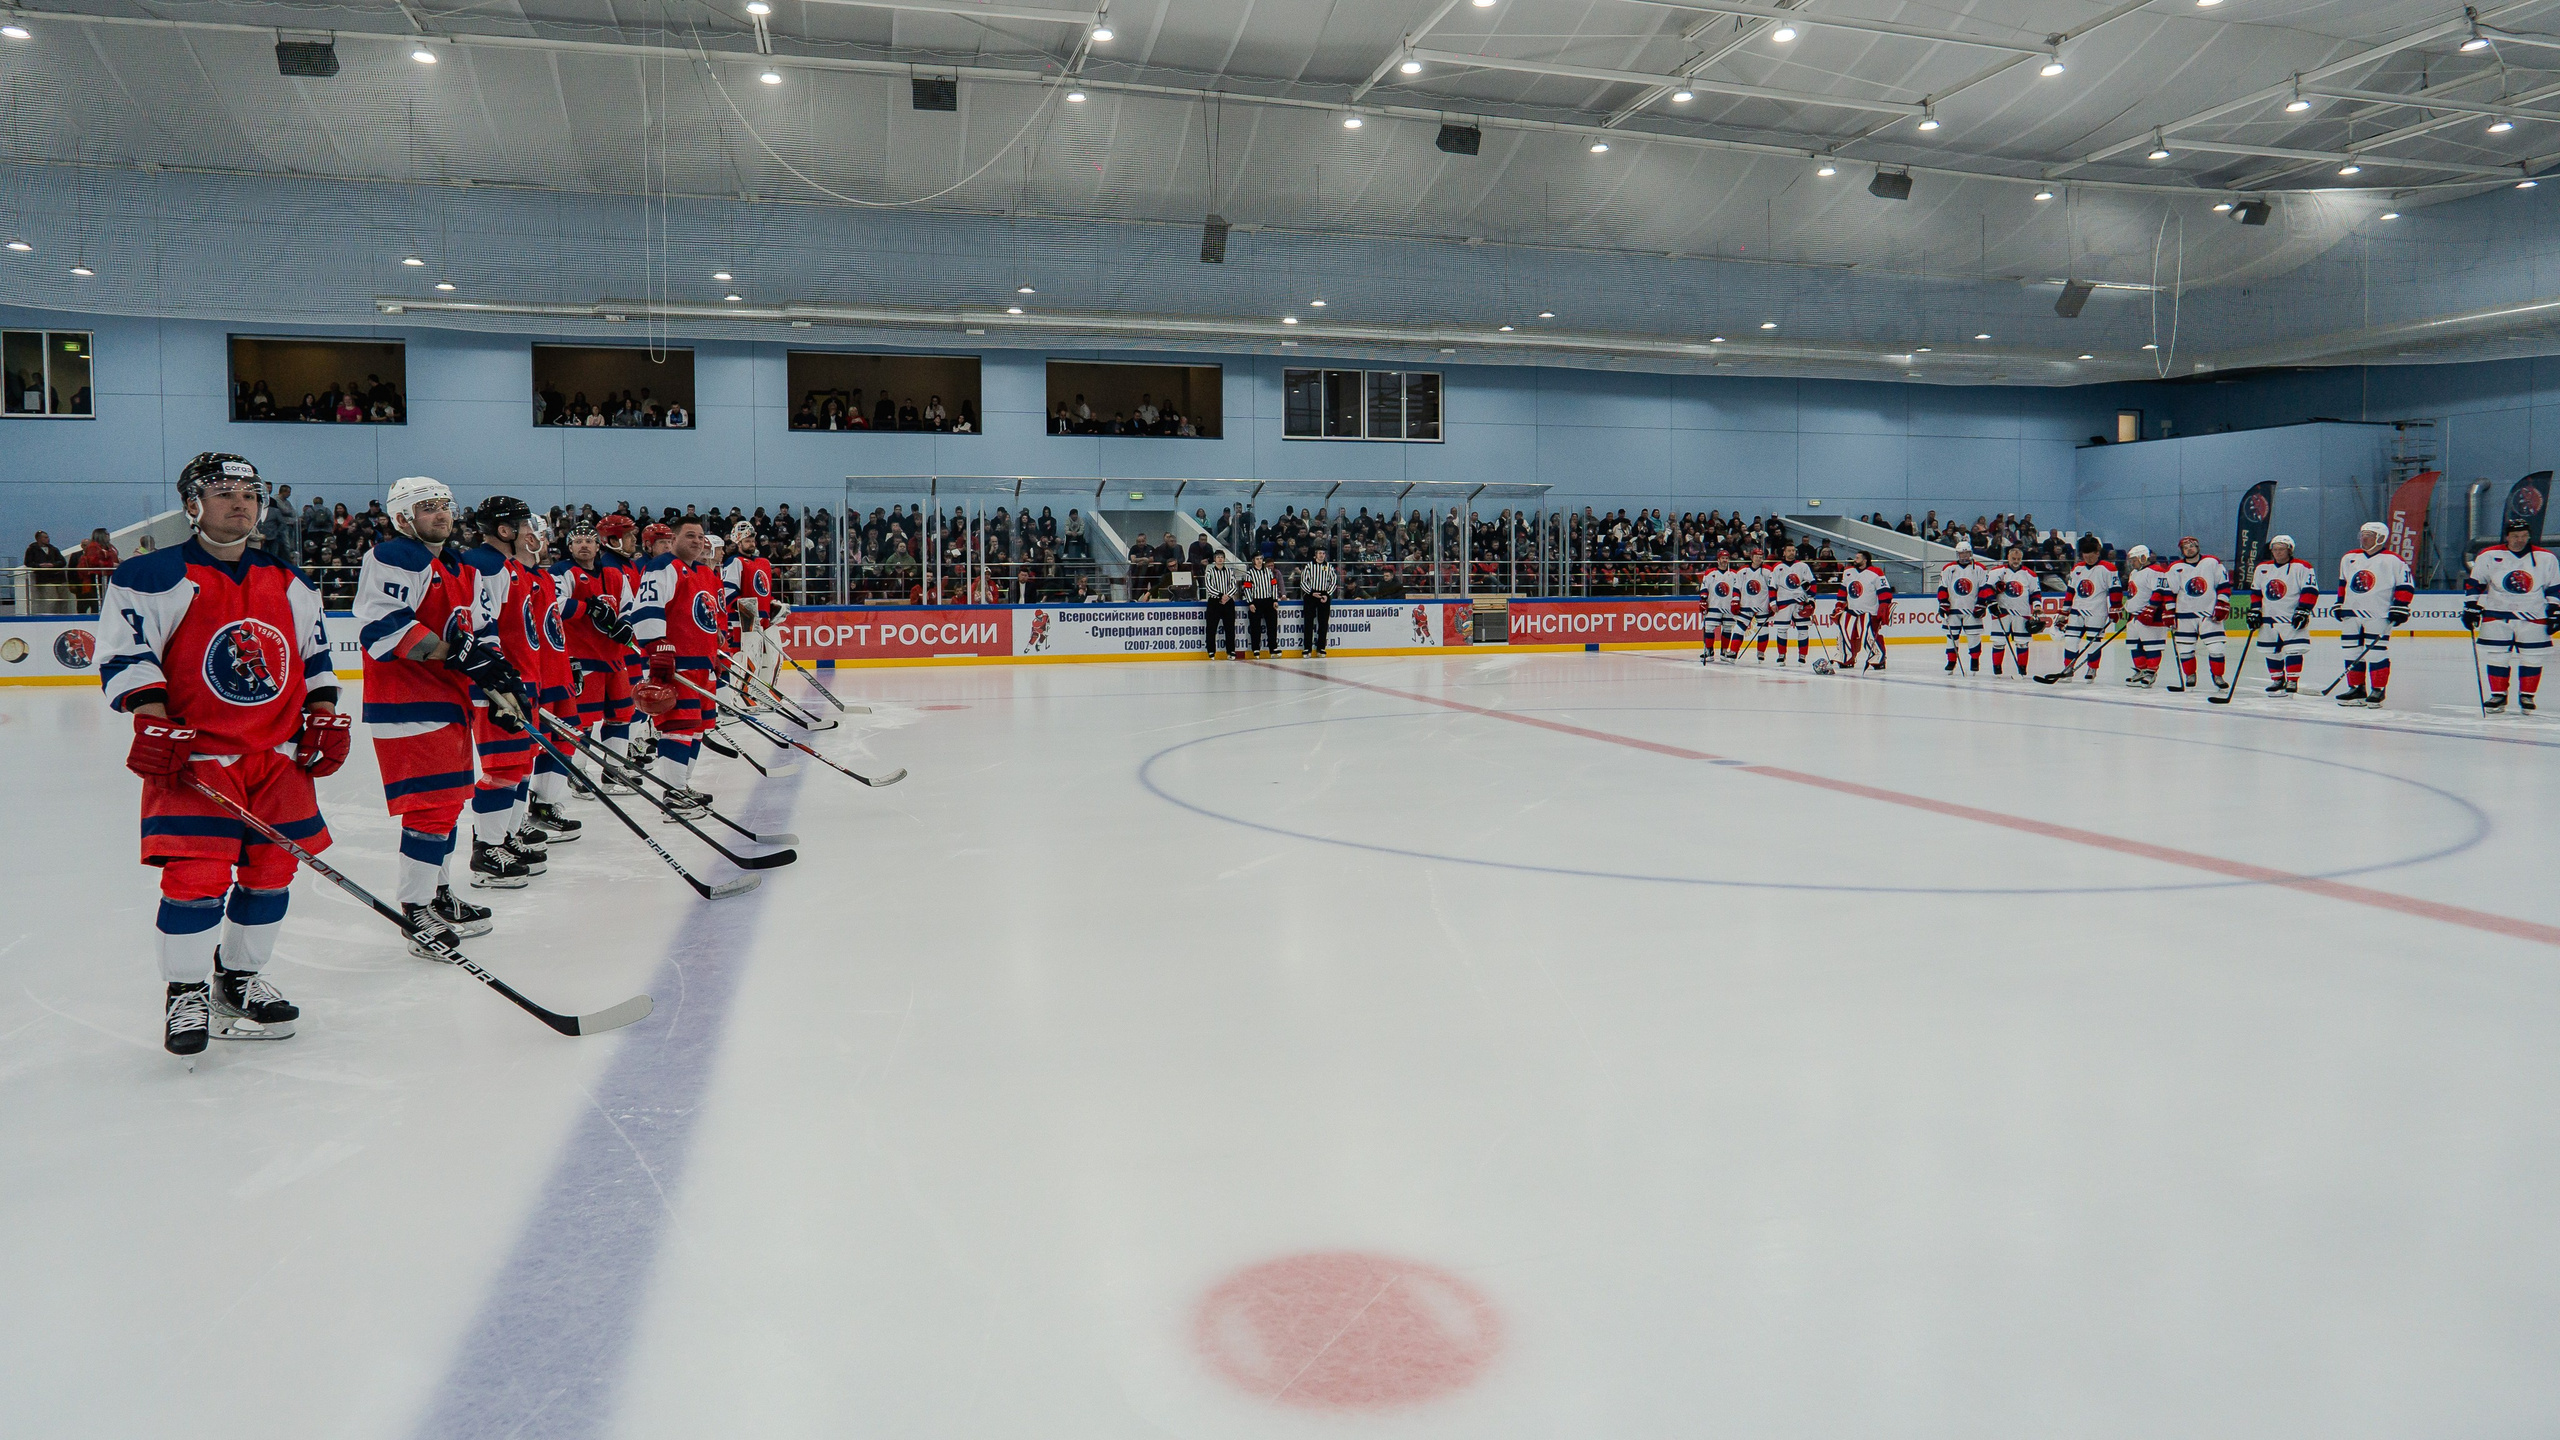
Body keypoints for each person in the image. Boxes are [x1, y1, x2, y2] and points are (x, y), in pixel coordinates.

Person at [99, 453, 345, 1055]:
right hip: (196, 758)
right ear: (192, 504)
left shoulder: (289, 580)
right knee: (196, 876)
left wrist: (324, 717)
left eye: (248, 492)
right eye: (223, 491)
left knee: (272, 873)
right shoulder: (151, 575)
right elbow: (128, 656)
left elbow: (315, 661)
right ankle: (185, 991)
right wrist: (153, 723)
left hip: (277, 756)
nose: (239, 501)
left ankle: (238, 979)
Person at [457, 497, 554, 886]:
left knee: (519, 764)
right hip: (498, 682)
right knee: (503, 767)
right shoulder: (485, 564)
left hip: (520, 679)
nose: (527, 530)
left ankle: (504, 837)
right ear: (503, 530)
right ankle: (487, 851)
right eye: (520, 524)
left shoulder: (510, 567)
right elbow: (481, 627)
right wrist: (497, 680)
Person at [631, 516, 724, 812]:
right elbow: (647, 608)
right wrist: (657, 646)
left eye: (700, 537)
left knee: (697, 727)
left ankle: (682, 786)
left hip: (702, 664)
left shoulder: (705, 573)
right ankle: (672, 794)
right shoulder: (663, 567)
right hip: (677, 664)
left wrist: (714, 654)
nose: (696, 541)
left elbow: (707, 620)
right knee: (678, 727)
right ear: (674, 540)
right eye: (690, 536)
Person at [558, 516, 642, 789]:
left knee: (621, 715)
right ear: (570, 547)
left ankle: (613, 771)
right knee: (583, 720)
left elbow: (629, 606)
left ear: (598, 546)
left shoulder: (614, 574)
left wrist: (625, 626)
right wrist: (586, 608)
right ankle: (576, 773)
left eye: (589, 541)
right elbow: (553, 605)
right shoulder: (563, 572)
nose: (584, 546)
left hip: (614, 659)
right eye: (578, 541)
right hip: (582, 659)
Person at [2464, 519, 2560, 712]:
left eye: (2524, 536)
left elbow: (2554, 587)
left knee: (2533, 656)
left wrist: (2555, 610)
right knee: (2497, 656)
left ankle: (2527, 696)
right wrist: (2471, 606)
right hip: (2497, 614)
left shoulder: (2546, 557)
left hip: (2533, 615)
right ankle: (2498, 696)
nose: (2520, 540)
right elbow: (2475, 582)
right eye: (2515, 536)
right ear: (2507, 536)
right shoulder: (2489, 555)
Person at [2335, 522, 2412, 708]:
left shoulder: (2393, 560)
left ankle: (2378, 689)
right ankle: (2356, 688)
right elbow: (2343, 583)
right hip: (2351, 613)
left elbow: (2406, 586)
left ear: (2380, 537)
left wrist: (2400, 606)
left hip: (2378, 614)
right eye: (2362, 534)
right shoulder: (2349, 558)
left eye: (2368, 534)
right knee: (2351, 651)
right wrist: (2339, 603)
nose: (2363, 538)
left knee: (2376, 652)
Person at [723, 521, 783, 705]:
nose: (751, 543)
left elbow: (764, 591)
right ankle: (742, 695)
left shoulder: (764, 563)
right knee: (748, 657)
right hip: (744, 621)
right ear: (738, 542)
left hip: (764, 619)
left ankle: (765, 693)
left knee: (773, 656)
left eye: (752, 539)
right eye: (747, 540)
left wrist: (774, 605)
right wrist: (743, 611)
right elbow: (728, 593)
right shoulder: (734, 562)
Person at [2251, 535, 2318, 696]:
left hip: (2291, 617)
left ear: (2289, 550)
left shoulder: (2302, 567)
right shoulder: (2262, 568)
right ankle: (2277, 679)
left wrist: (2303, 610)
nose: (2278, 552)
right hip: (2269, 617)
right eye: (2275, 549)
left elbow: (2310, 590)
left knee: (2295, 649)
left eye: (2281, 549)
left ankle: (2292, 680)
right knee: (2270, 650)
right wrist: (2255, 610)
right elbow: (2256, 592)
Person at [2165, 535, 2232, 693]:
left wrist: (2222, 604)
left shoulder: (2212, 562)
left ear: (2198, 547)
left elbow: (2223, 585)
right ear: (2182, 551)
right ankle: (2190, 675)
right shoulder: (2175, 568)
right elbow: (2169, 592)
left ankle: (2218, 676)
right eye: (2185, 547)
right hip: (2184, 615)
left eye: (2192, 545)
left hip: (2209, 614)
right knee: (2185, 649)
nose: (2189, 549)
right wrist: (2169, 611)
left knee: (2217, 648)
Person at [2061, 536, 2121, 682]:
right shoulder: (2077, 568)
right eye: (2085, 555)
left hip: (2097, 611)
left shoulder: (2108, 568)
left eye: (2091, 554)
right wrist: (2065, 610)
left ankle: (2092, 668)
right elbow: (2071, 590)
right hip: (2077, 610)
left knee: (2094, 641)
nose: (2088, 558)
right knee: (2070, 640)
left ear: (2097, 553)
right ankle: (2068, 667)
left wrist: (2116, 608)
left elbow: (2115, 589)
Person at [1983, 543, 2040, 677]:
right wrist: (1992, 603)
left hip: (2022, 613)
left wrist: (2037, 605)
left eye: (2018, 559)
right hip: (2002, 612)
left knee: (2022, 643)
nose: (2015, 561)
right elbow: (1987, 588)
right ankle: (1997, 670)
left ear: (2021, 558)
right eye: (2013, 559)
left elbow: (2035, 593)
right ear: (2008, 557)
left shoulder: (2029, 574)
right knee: (1998, 641)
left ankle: (2022, 669)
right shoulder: (1997, 572)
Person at [2120, 545, 2172, 686]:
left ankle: (2151, 672)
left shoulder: (2156, 571)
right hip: (2135, 617)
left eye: (2134, 560)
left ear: (2143, 557)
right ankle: (2141, 670)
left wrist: (2151, 609)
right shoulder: (2134, 573)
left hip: (2150, 616)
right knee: (2134, 645)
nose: (2132, 563)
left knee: (2151, 646)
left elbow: (2159, 591)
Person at [1937, 539, 1989, 674]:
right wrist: (1943, 603)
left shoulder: (1979, 569)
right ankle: (1951, 661)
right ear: (1957, 554)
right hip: (1953, 609)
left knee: (1973, 636)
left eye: (1967, 554)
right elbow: (1942, 588)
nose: (1964, 556)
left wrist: (1981, 605)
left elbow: (1984, 588)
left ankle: (1974, 660)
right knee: (1951, 637)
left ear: (1971, 554)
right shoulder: (1949, 569)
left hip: (1972, 610)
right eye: (1962, 554)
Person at [1835, 550, 1891, 670]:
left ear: (1865, 560)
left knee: (1868, 636)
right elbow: (1843, 589)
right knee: (1845, 634)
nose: (1855, 559)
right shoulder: (1848, 571)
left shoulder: (1876, 572)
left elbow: (1885, 591)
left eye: (1858, 558)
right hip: (1851, 610)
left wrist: (1884, 606)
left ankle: (1878, 658)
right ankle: (1846, 658)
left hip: (1869, 612)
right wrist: (1839, 605)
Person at [1770, 543, 1815, 665]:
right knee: (1782, 630)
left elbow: (1813, 584)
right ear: (1784, 552)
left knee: (1803, 629)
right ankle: (1781, 655)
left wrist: (1811, 602)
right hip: (1783, 603)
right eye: (1788, 550)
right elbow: (1772, 587)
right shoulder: (1777, 567)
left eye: (1793, 550)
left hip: (1800, 602)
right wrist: (1773, 602)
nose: (1791, 553)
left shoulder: (1803, 566)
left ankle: (1802, 656)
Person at [1201, 546, 1244, 659]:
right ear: (1214, 559)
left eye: (1222, 557)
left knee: (1229, 627)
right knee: (1211, 627)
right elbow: (1209, 587)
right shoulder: (1209, 572)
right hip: (1214, 602)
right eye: (1218, 557)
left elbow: (1234, 586)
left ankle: (1231, 651)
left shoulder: (1230, 572)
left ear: (1224, 559)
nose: (1220, 559)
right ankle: (1211, 651)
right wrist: (1221, 595)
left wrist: (1227, 596)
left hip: (1228, 602)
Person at [1734, 545, 1774, 661]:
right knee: (1738, 629)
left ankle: (1761, 653)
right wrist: (1735, 601)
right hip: (1746, 604)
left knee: (1764, 630)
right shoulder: (1743, 571)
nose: (1758, 559)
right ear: (1751, 557)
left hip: (1762, 605)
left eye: (1760, 557)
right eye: (1756, 556)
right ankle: (1733, 652)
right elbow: (1737, 588)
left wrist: (1772, 603)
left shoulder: (1768, 571)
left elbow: (1772, 588)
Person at [1298, 548, 1338, 657]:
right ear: (1315, 555)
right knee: (1308, 622)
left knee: (1323, 622)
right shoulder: (1309, 566)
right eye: (1320, 553)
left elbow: (1334, 581)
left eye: (1323, 553)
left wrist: (1327, 594)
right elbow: (1303, 581)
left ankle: (1321, 648)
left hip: (1324, 595)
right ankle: (1307, 648)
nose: (1322, 555)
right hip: (1311, 596)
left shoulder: (1328, 566)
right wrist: (1311, 592)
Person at [1243, 553, 1280, 657]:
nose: (1259, 561)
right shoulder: (1249, 574)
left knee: (1272, 625)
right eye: (1257, 559)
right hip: (1256, 601)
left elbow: (1274, 586)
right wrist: (1250, 602)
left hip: (1268, 601)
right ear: (1253, 561)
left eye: (1260, 559)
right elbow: (1247, 589)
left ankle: (1273, 647)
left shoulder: (1268, 572)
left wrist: (1275, 600)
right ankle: (1255, 648)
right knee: (1255, 627)